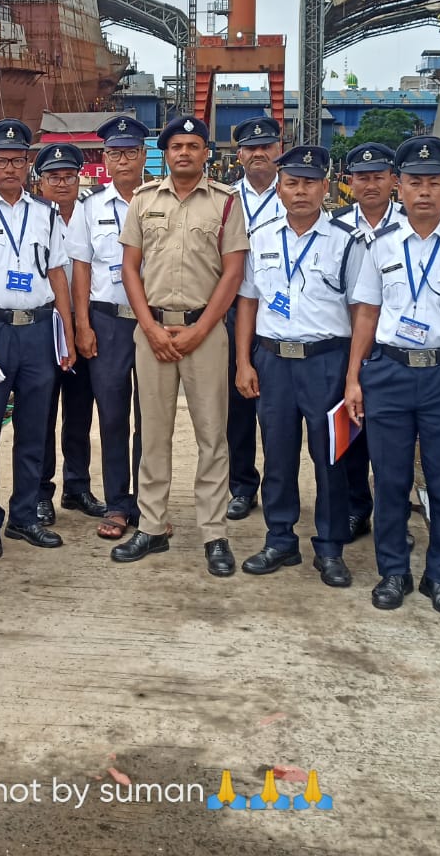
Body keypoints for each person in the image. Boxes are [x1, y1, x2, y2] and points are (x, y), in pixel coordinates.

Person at [345, 136, 440, 616]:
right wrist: (354, 379)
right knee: (389, 480)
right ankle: (394, 571)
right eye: (415, 183)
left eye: (433, 183)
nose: (424, 192)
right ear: (400, 190)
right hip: (389, 373)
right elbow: (366, 315)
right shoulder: (380, 247)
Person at [114, 115, 248, 576]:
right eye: (176, 146)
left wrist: (199, 329)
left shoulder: (226, 203)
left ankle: (214, 533)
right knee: (154, 434)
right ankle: (152, 527)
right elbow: (130, 267)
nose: (184, 153)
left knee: (213, 436)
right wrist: (149, 327)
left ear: (206, 153)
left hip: (205, 333)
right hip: (152, 331)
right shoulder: (143, 200)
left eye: (193, 145)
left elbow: (233, 273)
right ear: (164, 153)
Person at [234, 145, 362, 588]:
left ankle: (329, 548)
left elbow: (363, 311)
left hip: (326, 362)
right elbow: (249, 302)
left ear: (325, 188)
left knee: (331, 459)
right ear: (280, 189)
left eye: (309, 182)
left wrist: (352, 377)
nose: (300, 191)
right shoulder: (262, 237)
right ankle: (280, 539)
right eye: (292, 183)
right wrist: (243, 362)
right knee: (278, 457)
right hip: (273, 362)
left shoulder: (347, 242)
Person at [0, 120, 75, 557]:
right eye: (1, 161)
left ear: (29, 164)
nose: (10, 168)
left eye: (18, 160)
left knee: (33, 430)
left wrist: (64, 333)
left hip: (39, 332)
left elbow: (57, 274)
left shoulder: (45, 214)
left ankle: (24, 515)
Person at [69, 115, 151, 541]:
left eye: (131, 152)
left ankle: (151, 505)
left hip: (154, 322)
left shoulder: (163, 200)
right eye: (115, 153)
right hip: (108, 322)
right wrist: (82, 324)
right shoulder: (90, 207)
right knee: (114, 417)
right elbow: (81, 269)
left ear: (143, 155)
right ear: (105, 158)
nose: (123, 160)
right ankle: (119, 503)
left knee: (152, 419)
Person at [331, 140, 403, 543]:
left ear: (393, 181)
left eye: (378, 177)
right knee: (352, 434)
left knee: (392, 441)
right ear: (349, 182)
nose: (370, 184)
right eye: (362, 177)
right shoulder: (337, 226)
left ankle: (394, 518)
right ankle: (357, 507)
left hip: (395, 348)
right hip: (348, 347)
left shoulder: (413, 224)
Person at [35, 142, 105, 523]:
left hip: (85, 324)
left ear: (79, 179)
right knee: (42, 415)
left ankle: (77, 487)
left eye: (68, 177)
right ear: (40, 181)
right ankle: (41, 492)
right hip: (45, 328)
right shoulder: (31, 218)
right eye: (53, 177)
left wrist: (83, 327)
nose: (62, 184)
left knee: (79, 414)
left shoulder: (91, 214)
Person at [225, 115, 286, 522]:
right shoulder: (224, 199)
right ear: (240, 154)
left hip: (282, 313)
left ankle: (281, 492)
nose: (259, 153)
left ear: (278, 150)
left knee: (280, 412)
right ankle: (242, 485)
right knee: (236, 406)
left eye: (266, 146)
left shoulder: (298, 193)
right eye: (251, 147)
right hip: (232, 310)